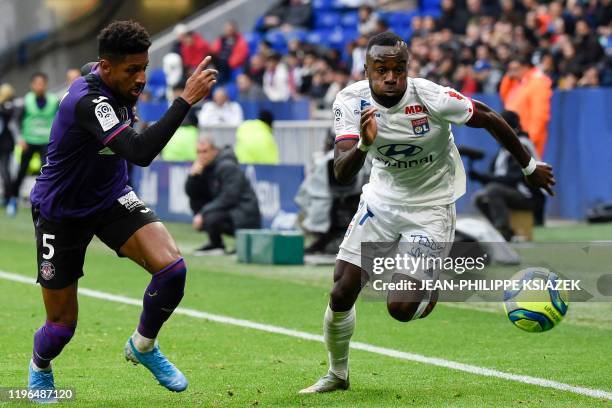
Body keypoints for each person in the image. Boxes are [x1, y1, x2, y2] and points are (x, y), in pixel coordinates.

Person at [299, 32, 555, 394]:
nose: (391, 77)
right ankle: (337, 374)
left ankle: (431, 283)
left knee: (400, 308)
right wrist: (364, 144)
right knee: (341, 292)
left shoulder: (432, 97)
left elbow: (490, 117)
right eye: (381, 69)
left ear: (408, 69)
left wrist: (529, 167)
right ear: (367, 70)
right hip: (382, 202)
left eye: (398, 69)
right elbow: (342, 170)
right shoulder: (350, 101)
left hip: (431, 207)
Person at [26, 20, 217, 402]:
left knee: (172, 270)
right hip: (61, 211)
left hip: (111, 196)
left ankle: (143, 346)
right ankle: (39, 367)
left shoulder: (107, 77)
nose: (142, 78)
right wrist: (184, 100)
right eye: (133, 70)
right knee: (61, 327)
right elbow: (140, 151)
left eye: (145, 67)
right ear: (107, 66)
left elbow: (92, 75)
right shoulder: (89, 102)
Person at [471, 110, 545, 240]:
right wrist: (480, 177)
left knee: (493, 190)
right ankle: (499, 230)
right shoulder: (503, 148)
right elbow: (494, 175)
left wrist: (485, 178)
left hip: (529, 195)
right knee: (479, 197)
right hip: (512, 192)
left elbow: (514, 178)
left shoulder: (522, 145)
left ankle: (503, 231)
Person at [185, 137, 261, 255]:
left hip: (245, 215)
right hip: (231, 212)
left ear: (214, 151)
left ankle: (236, 245)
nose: (201, 156)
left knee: (210, 214)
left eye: (205, 151)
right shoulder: (206, 167)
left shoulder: (227, 166)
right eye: (198, 152)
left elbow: (230, 197)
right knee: (196, 201)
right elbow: (193, 194)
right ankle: (215, 243)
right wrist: (193, 177)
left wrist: (203, 213)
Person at [6, 72, 59, 216]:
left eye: (43, 83)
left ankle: (45, 202)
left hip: (46, 143)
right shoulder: (25, 102)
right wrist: (19, 139)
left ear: (46, 85)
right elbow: (13, 123)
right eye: (37, 83)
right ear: (32, 85)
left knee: (47, 173)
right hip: (28, 142)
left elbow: (60, 122)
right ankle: (13, 200)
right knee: (21, 172)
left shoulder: (54, 101)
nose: (40, 86)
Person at [499, 56, 552, 158]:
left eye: (515, 69)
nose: (512, 73)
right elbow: (504, 96)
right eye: (510, 70)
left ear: (526, 67)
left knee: (529, 171)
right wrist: (508, 78)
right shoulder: (519, 83)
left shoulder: (537, 82)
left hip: (527, 139)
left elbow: (540, 114)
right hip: (516, 137)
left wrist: (530, 140)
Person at [0, 83, 16, 207]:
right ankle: (8, 197)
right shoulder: (12, 106)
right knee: (5, 170)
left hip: (4, 143)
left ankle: (8, 198)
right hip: (7, 142)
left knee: (5, 170)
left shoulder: (6, 107)